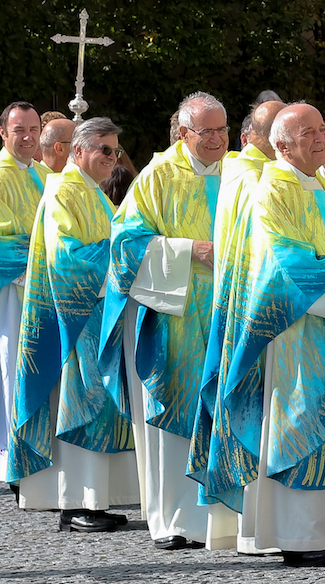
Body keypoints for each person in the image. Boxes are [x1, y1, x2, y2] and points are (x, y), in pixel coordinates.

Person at [197, 103, 325, 564]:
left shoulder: (324, 187)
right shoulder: (270, 191)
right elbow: (288, 264)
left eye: (320, 129)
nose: (321, 139)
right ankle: (304, 535)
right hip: (293, 331)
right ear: (281, 145)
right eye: (308, 133)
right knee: (302, 418)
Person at [99, 91, 238, 550]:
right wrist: (190, 250)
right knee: (175, 415)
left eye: (222, 129)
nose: (218, 139)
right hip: (176, 319)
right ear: (183, 133)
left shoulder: (242, 172)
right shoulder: (158, 176)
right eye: (206, 131)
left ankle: (226, 518)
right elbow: (125, 245)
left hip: (232, 311)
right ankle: (174, 520)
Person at [7, 118, 138, 532]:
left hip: (92, 315)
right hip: (74, 319)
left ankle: (92, 500)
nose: (110, 158)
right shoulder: (65, 190)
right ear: (77, 151)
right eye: (103, 149)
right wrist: (119, 252)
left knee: (95, 407)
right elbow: (69, 259)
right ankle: (74, 503)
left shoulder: (93, 193)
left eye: (115, 150)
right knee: (78, 404)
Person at [186, 98, 285, 552]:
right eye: (276, 128)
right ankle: (254, 524)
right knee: (254, 413)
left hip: (268, 312)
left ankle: (262, 521)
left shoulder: (269, 174)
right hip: (255, 312)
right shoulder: (252, 177)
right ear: (257, 136)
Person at [0, 102, 49, 481]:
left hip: (47, 287)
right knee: (13, 367)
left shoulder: (45, 173)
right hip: (15, 292)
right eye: (19, 131)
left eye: (33, 129)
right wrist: (43, 253)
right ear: (3, 133)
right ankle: (14, 458)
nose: (28, 137)